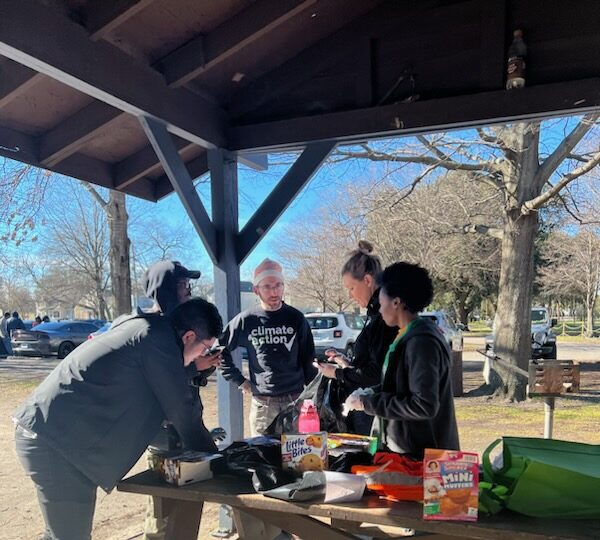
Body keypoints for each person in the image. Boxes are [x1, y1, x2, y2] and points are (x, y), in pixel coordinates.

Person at [13, 297, 222, 540]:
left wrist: (192, 370)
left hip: (55, 437)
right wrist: (218, 462)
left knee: (59, 535)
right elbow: (182, 411)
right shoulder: (156, 339)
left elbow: (152, 383)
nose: (203, 355)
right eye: (205, 348)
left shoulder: (151, 332)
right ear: (188, 337)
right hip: (55, 443)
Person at [344, 262, 460, 458]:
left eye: (381, 304)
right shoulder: (405, 336)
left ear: (396, 302)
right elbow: (401, 387)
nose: (379, 311)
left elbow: (423, 405)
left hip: (426, 460)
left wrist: (369, 403)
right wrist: (370, 393)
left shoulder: (422, 342)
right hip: (409, 452)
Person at [220, 258, 317, 436]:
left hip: (295, 401)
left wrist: (312, 396)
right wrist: (240, 381)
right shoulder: (246, 320)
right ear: (256, 290)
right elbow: (218, 350)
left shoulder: (296, 318)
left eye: (278, 285)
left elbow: (308, 359)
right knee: (262, 459)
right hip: (263, 405)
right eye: (267, 287)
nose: (274, 291)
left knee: (298, 459)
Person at [314, 241, 398, 434]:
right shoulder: (374, 315)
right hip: (368, 406)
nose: (350, 295)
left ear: (367, 281)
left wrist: (336, 373)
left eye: (351, 288)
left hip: (376, 411)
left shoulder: (384, 318)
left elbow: (376, 374)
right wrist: (346, 363)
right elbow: (371, 363)